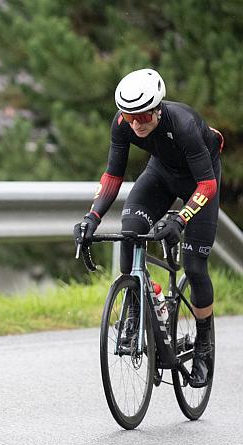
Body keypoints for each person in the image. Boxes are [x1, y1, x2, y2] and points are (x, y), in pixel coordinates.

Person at [74, 68, 224, 388]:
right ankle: (136, 306)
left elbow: (208, 183)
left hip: (201, 181)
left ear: (157, 108)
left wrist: (180, 218)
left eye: (142, 115)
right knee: (130, 231)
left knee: (195, 266)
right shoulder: (123, 124)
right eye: (130, 117)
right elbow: (113, 176)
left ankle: (204, 344)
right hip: (161, 175)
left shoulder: (182, 125)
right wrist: (92, 217)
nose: (136, 123)